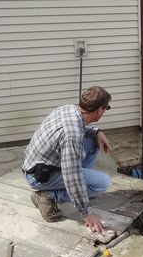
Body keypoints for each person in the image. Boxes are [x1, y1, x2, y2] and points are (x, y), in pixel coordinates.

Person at [22, 86, 113, 233]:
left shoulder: (68, 109)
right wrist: (86, 213)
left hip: (38, 164)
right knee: (103, 183)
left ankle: (80, 192)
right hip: (39, 176)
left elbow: (81, 129)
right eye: (105, 109)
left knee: (93, 140)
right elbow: (73, 177)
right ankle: (48, 196)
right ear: (99, 110)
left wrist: (97, 131)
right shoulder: (72, 136)